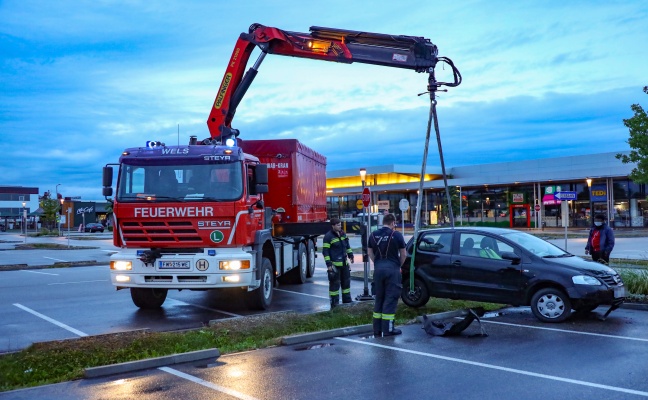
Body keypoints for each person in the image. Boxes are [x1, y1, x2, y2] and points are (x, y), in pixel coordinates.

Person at [368, 213, 406, 337]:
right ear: (393, 223)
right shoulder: (397, 235)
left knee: (379, 298)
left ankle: (377, 330)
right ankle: (388, 329)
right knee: (390, 298)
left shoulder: (373, 235)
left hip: (378, 269)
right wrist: (397, 266)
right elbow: (403, 254)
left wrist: (378, 263)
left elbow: (370, 252)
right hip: (392, 270)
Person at [322, 218, 354, 308]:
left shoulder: (343, 234)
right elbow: (325, 252)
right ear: (333, 226)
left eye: (340, 225)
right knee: (334, 286)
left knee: (346, 284)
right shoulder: (328, 237)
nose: (340, 226)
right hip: (335, 266)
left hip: (344, 264)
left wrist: (351, 255)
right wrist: (329, 265)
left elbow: (347, 246)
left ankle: (347, 303)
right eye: (338, 225)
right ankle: (334, 305)